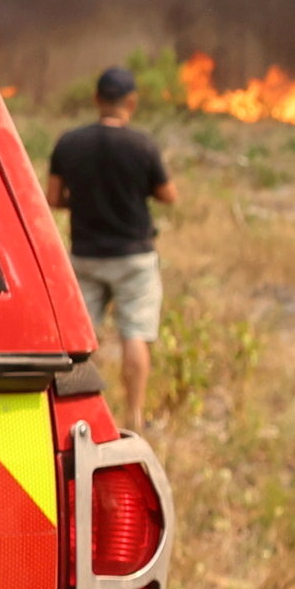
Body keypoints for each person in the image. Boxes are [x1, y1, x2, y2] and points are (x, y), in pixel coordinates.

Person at [45, 63, 173, 420]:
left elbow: (53, 198)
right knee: (135, 335)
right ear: (131, 102)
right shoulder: (142, 144)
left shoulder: (69, 142)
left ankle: (74, 416)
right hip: (134, 257)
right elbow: (169, 195)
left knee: (77, 343)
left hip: (86, 255)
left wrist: (83, 199)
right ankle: (133, 416)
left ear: (97, 98)